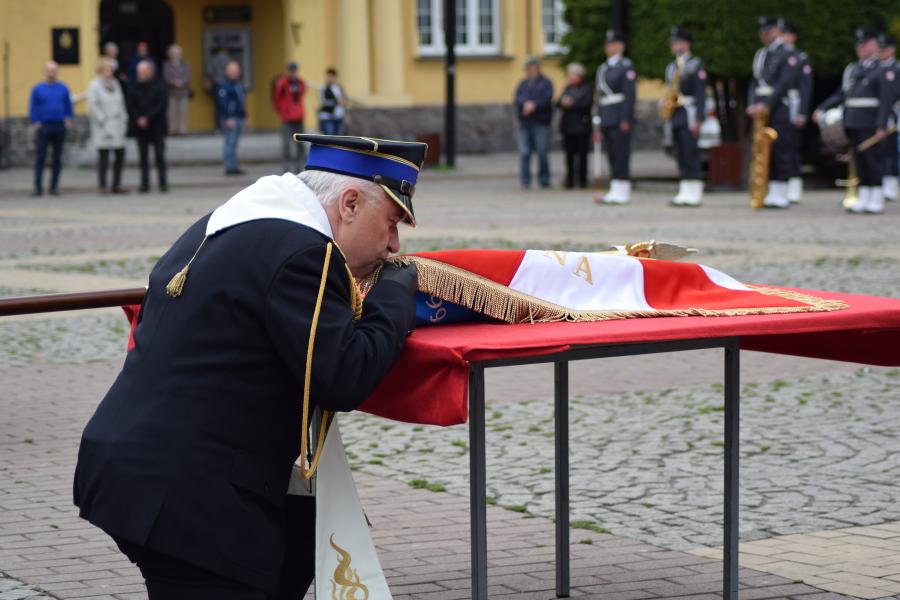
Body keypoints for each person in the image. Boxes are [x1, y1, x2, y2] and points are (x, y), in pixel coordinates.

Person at [73, 133, 425, 600]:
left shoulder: (232, 221)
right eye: (392, 222)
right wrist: (397, 294)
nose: (394, 245)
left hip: (143, 468)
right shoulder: (306, 252)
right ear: (350, 204)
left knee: (308, 534)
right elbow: (345, 376)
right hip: (187, 494)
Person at [813, 28, 892, 214]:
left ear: (874, 45)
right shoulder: (853, 69)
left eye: (865, 44)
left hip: (871, 121)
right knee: (859, 160)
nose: (861, 48)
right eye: (859, 45)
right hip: (853, 120)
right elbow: (843, 94)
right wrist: (822, 107)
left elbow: (886, 100)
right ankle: (864, 195)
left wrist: (882, 125)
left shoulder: (881, 68)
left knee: (873, 160)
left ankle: (876, 197)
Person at [747, 16, 800, 209]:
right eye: (763, 32)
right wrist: (752, 103)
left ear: (777, 31)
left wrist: (766, 104)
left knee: (780, 149)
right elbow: (755, 81)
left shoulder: (787, 52)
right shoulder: (762, 54)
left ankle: (781, 191)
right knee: (763, 150)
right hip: (762, 107)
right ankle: (769, 190)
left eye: (769, 31)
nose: (765, 35)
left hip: (779, 107)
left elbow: (784, 84)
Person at [664, 27, 707, 207]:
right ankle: (684, 188)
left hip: (690, 111)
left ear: (686, 44)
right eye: (673, 43)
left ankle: (695, 190)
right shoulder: (672, 66)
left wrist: (699, 118)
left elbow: (701, 94)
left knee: (690, 151)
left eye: (677, 42)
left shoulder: (695, 65)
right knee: (680, 151)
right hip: (676, 112)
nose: (674, 46)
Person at [593, 29, 637, 205]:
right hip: (607, 116)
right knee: (611, 154)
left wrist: (626, 118)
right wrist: (597, 119)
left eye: (612, 44)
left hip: (620, 115)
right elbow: (599, 97)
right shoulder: (603, 68)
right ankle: (615, 187)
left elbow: (629, 95)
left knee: (621, 154)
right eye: (608, 44)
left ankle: (623, 189)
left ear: (620, 47)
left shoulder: (626, 67)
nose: (609, 47)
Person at [28, 61, 72, 197]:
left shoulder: (63, 88)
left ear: (57, 72)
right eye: (49, 70)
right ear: (45, 72)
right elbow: (33, 106)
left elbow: (68, 105)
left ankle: (54, 187)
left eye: (54, 70)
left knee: (57, 159)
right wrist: (36, 121)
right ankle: (38, 187)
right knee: (40, 158)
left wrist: (68, 117)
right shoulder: (38, 88)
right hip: (44, 126)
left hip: (59, 125)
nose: (51, 73)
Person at [781, 21, 813, 204]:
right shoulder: (777, 56)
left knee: (791, 147)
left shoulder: (800, 57)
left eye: (787, 34)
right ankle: (781, 184)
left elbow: (805, 87)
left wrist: (802, 112)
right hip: (779, 106)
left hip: (793, 104)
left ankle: (794, 185)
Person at [87, 58, 129, 194]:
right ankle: (102, 186)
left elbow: (121, 102)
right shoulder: (94, 85)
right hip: (103, 126)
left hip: (117, 125)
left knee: (120, 155)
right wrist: (102, 120)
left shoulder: (115, 84)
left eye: (111, 69)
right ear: (100, 70)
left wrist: (124, 119)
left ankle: (116, 185)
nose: (109, 72)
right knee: (104, 157)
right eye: (106, 69)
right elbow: (93, 106)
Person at [514, 56, 554, 188]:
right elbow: (518, 98)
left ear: (537, 68)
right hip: (525, 122)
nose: (530, 70)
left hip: (540, 121)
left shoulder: (546, 83)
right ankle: (525, 180)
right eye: (528, 68)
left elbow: (547, 99)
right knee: (524, 152)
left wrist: (534, 105)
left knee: (542, 151)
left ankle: (544, 179)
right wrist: (525, 104)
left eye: (533, 67)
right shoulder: (523, 84)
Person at [128, 60, 168, 193]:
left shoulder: (160, 86)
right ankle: (144, 184)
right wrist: (138, 118)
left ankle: (163, 183)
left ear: (150, 71)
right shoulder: (133, 87)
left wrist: (148, 118)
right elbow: (130, 106)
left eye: (144, 71)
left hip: (157, 126)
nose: (141, 74)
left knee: (159, 156)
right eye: (139, 72)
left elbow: (161, 105)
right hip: (140, 128)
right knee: (143, 158)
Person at [557, 63, 593, 189]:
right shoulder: (568, 88)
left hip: (582, 127)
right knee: (569, 156)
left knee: (582, 156)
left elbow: (587, 103)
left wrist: (572, 103)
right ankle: (570, 181)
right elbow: (558, 102)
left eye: (572, 75)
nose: (570, 77)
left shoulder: (587, 88)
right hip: (568, 127)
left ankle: (582, 181)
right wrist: (562, 102)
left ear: (579, 75)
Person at [274, 61, 307, 173]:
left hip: (298, 116)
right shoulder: (283, 83)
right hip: (287, 118)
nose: (293, 72)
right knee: (286, 143)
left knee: (300, 143)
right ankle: (286, 167)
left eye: (294, 70)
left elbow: (302, 94)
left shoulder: (300, 83)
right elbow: (277, 99)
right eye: (291, 70)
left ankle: (300, 166)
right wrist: (283, 111)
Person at [878, 34, 900, 202]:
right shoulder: (875, 68)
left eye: (884, 49)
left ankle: (891, 185)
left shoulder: (897, 68)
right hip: (875, 114)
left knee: (891, 151)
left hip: (893, 114)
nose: (881, 52)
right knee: (879, 151)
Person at [217, 61, 246, 175]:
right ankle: (229, 167)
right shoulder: (224, 86)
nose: (234, 73)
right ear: (227, 72)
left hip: (238, 118)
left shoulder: (238, 85)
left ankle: (234, 166)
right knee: (229, 143)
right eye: (232, 71)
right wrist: (228, 117)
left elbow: (241, 102)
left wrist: (245, 116)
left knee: (234, 144)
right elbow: (222, 103)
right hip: (231, 119)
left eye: (236, 71)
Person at [163, 44, 191, 136]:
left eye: (177, 53)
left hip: (183, 91)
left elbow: (188, 75)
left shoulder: (185, 63)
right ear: (170, 54)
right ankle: (172, 130)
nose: (175, 54)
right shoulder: (167, 64)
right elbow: (166, 76)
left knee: (183, 111)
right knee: (171, 112)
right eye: (173, 53)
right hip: (172, 92)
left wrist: (182, 82)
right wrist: (174, 82)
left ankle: (182, 130)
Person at [318, 67, 346, 136]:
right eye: (328, 76)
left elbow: (343, 100)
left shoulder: (339, 88)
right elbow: (323, 101)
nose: (329, 78)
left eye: (331, 76)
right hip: (327, 117)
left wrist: (343, 102)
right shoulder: (324, 88)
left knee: (338, 138)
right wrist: (336, 102)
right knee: (329, 137)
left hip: (338, 116)